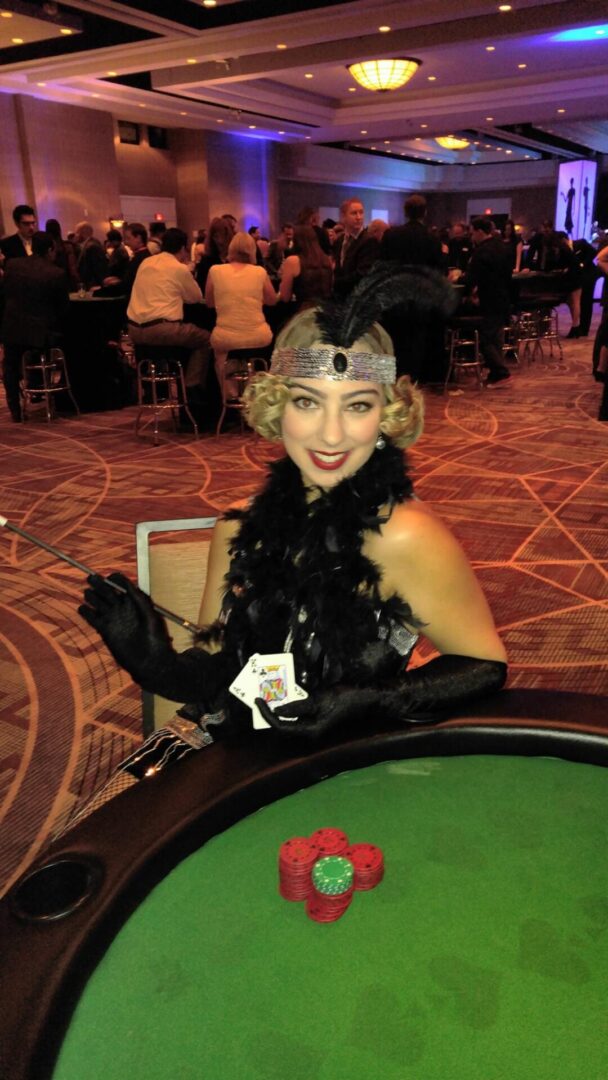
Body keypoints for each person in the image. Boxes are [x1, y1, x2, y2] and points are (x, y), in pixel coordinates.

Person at [79, 264, 507, 750]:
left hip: (342, 760)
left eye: (358, 406)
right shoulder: (237, 528)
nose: (330, 433)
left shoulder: (406, 536)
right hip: (230, 749)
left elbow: (483, 668)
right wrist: (154, 662)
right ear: (276, 407)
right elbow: (223, 674)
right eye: (307, 403)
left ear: (387, 417)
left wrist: (363, 700)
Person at [127, 226, 211, 410]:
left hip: (134, 331)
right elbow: (195, 297)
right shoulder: (177, 268)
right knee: (207, 339)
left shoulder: (146, 263)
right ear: (182, 248)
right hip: (162, 330)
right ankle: (192, 386)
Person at [1, 230, 69, 422]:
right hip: (40, 334)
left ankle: (15, 408)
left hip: (12, 328)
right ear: (50, 249)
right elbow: (62, 308)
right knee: (67, 345)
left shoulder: (12, 265)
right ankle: (56, 395)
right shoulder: (55, 273)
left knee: (10, 365)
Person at [205, 230, 277, 399]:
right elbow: (272, 300)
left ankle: (230, 396)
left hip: (226, 337)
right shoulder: (259, 272)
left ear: (231, 249)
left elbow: (209, 302)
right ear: (252, 250)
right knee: (258, 352)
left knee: (221, 353)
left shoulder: (215, 270)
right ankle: (254, 395)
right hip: (258, 336)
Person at [464, 217, 512, 384]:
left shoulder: (481, 251)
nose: (471, 237)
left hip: (489, 298)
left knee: (484, 338)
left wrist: (464, 286)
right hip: (504, 296)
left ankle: (500, 370)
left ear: (479, 231)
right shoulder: (502, 247)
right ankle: (495, 372)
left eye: (472, 233)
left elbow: (471, 279)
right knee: (497, 335)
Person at [332, 198, 379, 298]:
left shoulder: (369, 241)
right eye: (354, 213)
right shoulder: (339, 241)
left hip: (357, 299)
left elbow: (362, 274)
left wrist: (334, 283)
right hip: (339, 298)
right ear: (343, 217)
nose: (359, 217)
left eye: (361, 213)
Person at [278, 225, 333, 310]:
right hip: (327, 312)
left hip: (304, 314)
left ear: (296, 240)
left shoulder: (293, 261)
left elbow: (285, 297)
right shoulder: (327, 259)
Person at [45, 218, 79, 290]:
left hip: (51, 281)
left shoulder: (46, 248)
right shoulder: (67, 246)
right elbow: (72, 267)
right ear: (59, 230)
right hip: (66, 280)